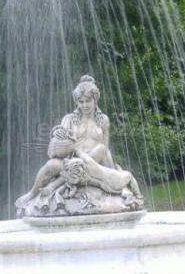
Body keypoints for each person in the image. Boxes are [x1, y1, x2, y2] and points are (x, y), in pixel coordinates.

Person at [15, 75, 118, 208]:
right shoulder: (69, 119)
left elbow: (105, 148)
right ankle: (32, 193)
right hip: (70, 162)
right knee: (51, 164)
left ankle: (55, 184)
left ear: (95, 99)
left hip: (94, 163)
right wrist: (56, 133)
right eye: (81, 102)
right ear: (76, 102)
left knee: (100, 150)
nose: (85, 105)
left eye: (88, 101)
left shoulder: (103, 120)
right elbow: (55, 148)